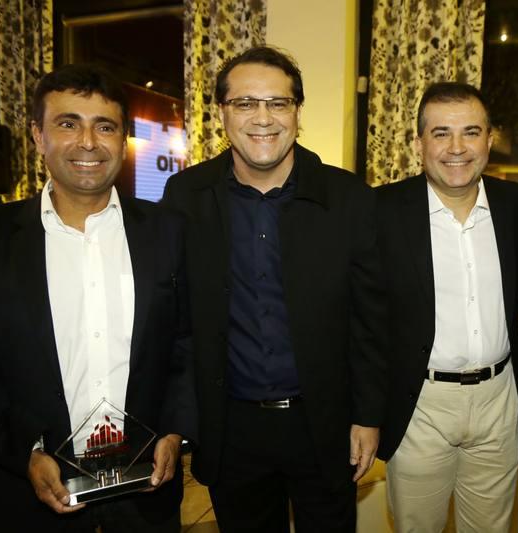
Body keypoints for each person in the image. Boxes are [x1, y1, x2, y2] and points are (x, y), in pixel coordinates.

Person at [0, 64, 196, 532]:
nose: (88, 142)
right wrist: (24, 453)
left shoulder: (169, 232)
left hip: (146, 490)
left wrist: (175, 431)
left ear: (122, 140)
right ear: (38, 135)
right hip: (27, 494)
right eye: (68, 123)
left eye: (104, 127)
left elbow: (187, 344)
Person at [162, 46, 386, 532]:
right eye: (245, 103)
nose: (262, 118)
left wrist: (368, 416)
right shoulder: (185, 197)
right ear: (222, 112)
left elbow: (370, 320)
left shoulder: (348, 198)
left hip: (323, 424)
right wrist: (178, 421)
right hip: (231, 429)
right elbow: (176, 320)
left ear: (297, 112)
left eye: (278, 103)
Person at [374, 82, 518, 532]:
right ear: (418, 143)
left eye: (471, 132)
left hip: (498, 400)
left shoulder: (517, 204)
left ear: (490, 140)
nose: (457, 148)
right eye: (441, 133)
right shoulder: (381, 210)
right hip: (421, 405)